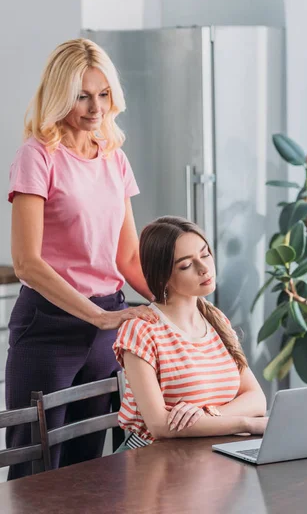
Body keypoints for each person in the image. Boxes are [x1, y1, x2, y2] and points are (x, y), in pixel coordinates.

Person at [6, 38, 157, 479]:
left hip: (106, 324)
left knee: (94, 471)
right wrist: (97, 316)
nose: (96, 107)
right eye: (82, 95)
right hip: (49, 326)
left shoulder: (114, 158)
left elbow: (128, 256)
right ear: (59, 94)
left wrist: (179, 306)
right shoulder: (36, 157)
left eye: (104, 94)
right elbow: (27, 263)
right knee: (35, 468)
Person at [113, 216, 268, 449]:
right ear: (163, 276)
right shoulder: (141, 330)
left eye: (205, 254)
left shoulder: (216, 320)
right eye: (186, 265)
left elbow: (256, 399)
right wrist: (247, 424)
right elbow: (160, 426)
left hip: (209, 454)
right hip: (151, 462)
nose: (204, 268)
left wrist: (208, 413)